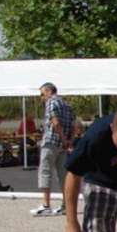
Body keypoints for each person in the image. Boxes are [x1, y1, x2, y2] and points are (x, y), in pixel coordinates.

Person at [31, 83, 75, 217]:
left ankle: (46, 204)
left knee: (45, 171)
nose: (41, 98)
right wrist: (68, 141)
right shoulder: (67, 105)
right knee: (63, 175)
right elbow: (74, 126)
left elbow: (55, 122)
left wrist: (62, 138)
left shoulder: (51, 102)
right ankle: (65, 206)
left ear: (49, 91)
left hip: (51, 141)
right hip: (63, 145)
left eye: (42, 94)